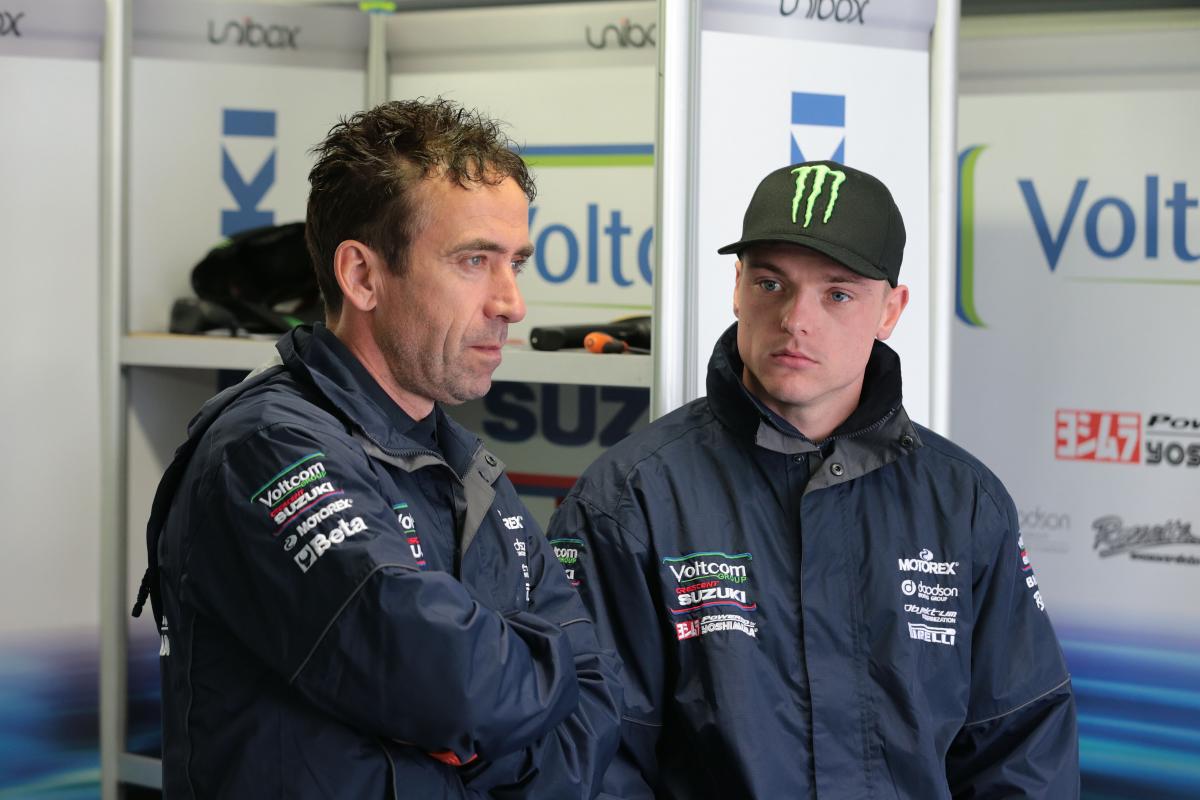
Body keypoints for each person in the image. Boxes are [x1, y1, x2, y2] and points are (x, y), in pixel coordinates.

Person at [133, 98, 622, 799]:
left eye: (516, 262)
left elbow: (596, 697)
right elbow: (449, 684)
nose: (511, 302)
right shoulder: (264, 450)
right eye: (474, 261)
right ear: (362, 276)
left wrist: (473, 736)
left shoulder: (464, 465)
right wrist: (502, 703)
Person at [547, 161, 1079, 799]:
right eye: (772, 283)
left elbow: (1020, 752)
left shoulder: (965, 505)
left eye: (838, 293)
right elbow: (594, 761)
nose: (797, 319)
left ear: (891, 309)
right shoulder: (628, 500)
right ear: (737, 286)